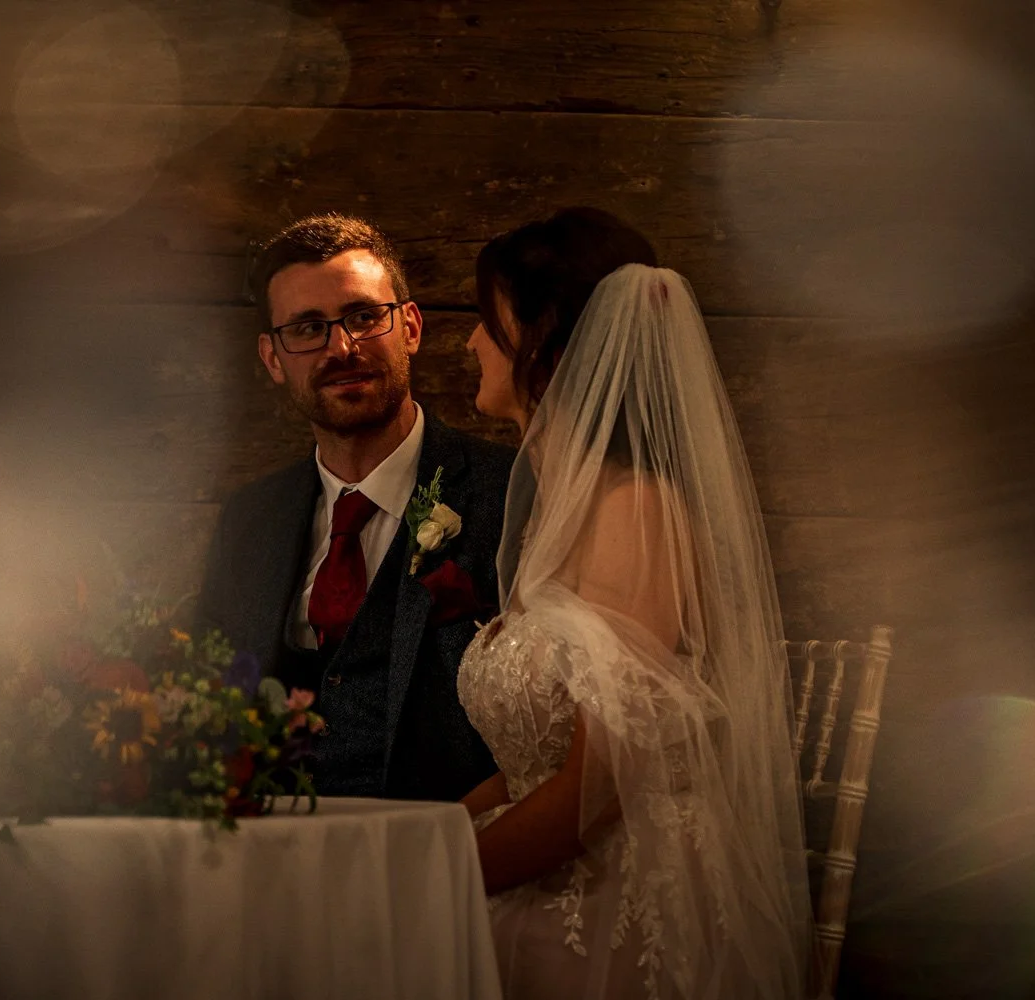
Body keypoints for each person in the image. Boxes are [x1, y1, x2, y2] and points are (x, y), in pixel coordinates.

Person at [457, 208, 812, 999]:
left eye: (487, 322)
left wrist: (438, 879)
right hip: (546, 861)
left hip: (611, 895)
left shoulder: (637, 514)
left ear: (545, 340)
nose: (470, 343)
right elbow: (530, 766)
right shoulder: (555, 516)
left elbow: (604, 782)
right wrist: (419, 838)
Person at [196, 213, 509, 801]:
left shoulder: (512, 492)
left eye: (365, 317)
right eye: (307, 328)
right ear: (271, 358)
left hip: (450, 863)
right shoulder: (249, 520)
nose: (341, 347)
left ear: (411, 327)